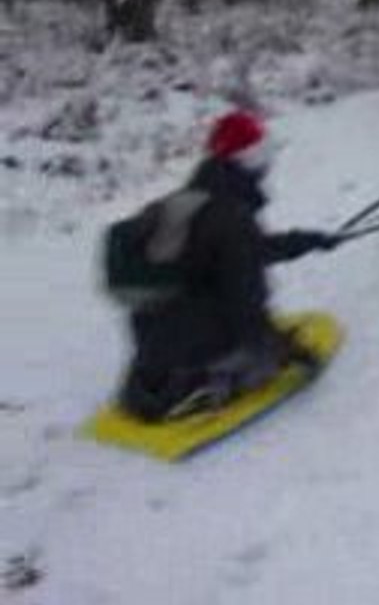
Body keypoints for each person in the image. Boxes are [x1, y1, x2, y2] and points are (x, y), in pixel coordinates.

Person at [117, 110, 341, 421]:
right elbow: (247, 301)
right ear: (248, 160)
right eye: (261, 154)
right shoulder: (233, 218)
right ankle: (201, 387)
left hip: (151, 345)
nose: (266, 164)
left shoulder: (185, 201)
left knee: (191, 306)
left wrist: (303, 242)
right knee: (259, 360)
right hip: (193, 346)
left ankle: (160, 376)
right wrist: (284, 351)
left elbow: (237, 253)